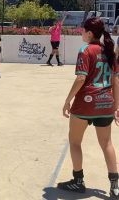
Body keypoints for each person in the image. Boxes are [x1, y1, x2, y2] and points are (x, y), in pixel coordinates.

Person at [58, 17, 119, 198]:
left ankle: (78, 181)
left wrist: (67, 100)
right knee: (107, 143)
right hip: (105, 103)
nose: (81, 33)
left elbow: (80, 79)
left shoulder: (85, 50)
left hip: (86, 104)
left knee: (75, 141)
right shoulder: (109, 51)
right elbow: (116, 80)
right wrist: (116, 105)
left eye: (83, 30)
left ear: (90, 33)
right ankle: (115, 187)